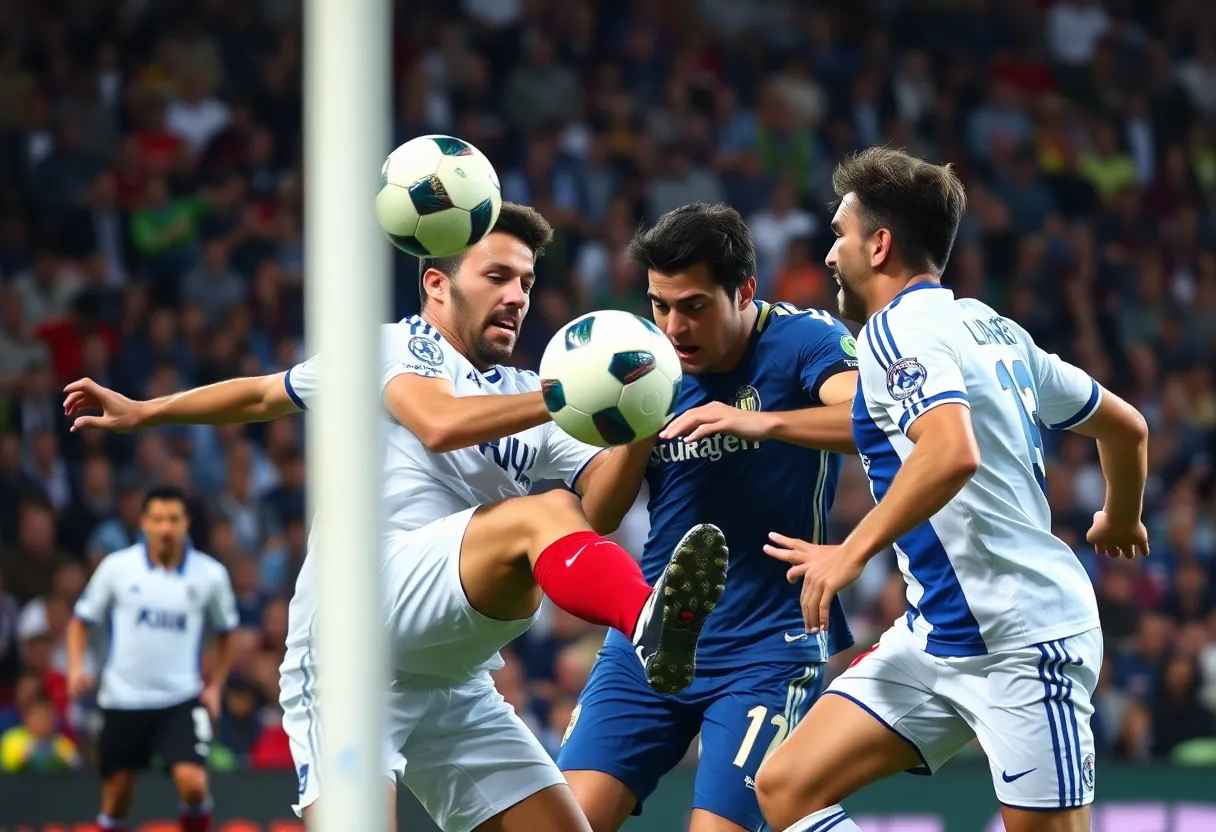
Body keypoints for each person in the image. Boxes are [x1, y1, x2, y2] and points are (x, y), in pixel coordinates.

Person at [62, 202, 729, 832]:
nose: (517, 296)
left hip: (449, 668)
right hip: (354, 636)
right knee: (541, 511)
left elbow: (600, 509)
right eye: (497, 275)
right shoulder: (393, 349)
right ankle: (649, 621)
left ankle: (650, 623)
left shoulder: (529, 392)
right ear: (437, 283)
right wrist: (145, 411)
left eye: (526, 281)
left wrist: (640, 415)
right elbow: (308, 400)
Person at [754, 147, 1150, 832]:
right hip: (938, 636)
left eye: (839, 236)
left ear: (879, 246)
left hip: (1026, 640)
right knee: (786, 787)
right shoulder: (989, 325)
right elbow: (1127, 427)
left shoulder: (893, 331)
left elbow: (950, 453)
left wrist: (849, 554)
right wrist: (1119, 514)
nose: (828, 255)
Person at [558, 203, 859, 832]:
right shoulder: (642, 362)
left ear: (744, 290)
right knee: (566, 824)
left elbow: (870, 419)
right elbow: (602, 512)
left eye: (693, 306)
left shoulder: (806, 341)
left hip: (766, 647)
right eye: (659, 306)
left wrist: (763, 421)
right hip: (652, 636)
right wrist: (640, 417)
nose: (673, 325)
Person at [67, 485, 238, 832]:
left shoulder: (210, 575)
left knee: (192, 784)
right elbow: (81, 621)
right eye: (158, 519)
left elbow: (227, 631)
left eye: (173, 519)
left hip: (180, 699)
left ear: (186, 523)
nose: (165, 528)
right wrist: (76, 666)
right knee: (117, 797)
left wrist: (216, 686)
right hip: (122, 698)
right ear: (143, 522)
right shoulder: (117, 568)